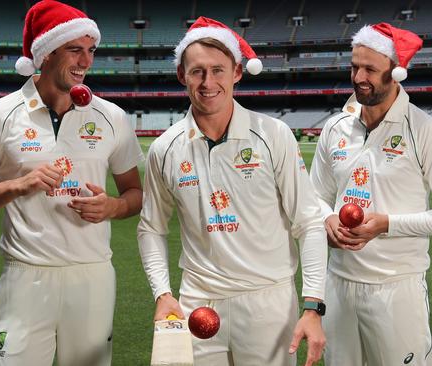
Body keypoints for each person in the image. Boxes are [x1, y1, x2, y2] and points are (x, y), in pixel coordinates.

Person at [0, 1, 144, 365]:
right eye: (75, 50)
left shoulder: (111, 117)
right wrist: (19, 185)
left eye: (91, 51)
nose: (86, 62)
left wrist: (114, 207)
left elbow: (135, 194)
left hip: (92, 276)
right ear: (46, 53)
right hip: (25, 278)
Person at [137, 17, 328, 366]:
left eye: (218, 70)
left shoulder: (274, 135)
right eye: (197, 72)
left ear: (237, 72)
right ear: (182, 76)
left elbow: (309, 223)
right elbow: (151, 228)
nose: (208, 82)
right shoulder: (164, 149)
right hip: (197, 302)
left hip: (267, 304)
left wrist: (313, 305)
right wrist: (162, 293)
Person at [310, 23, 432, 366]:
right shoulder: (334, 128)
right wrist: (325, 218)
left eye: (370, 69)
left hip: (396, 289)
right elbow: (314, 198)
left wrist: (386, 224)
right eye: (355, 66)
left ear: (395, 73)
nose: (358, 77)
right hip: (338, 285)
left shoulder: (426, 131)